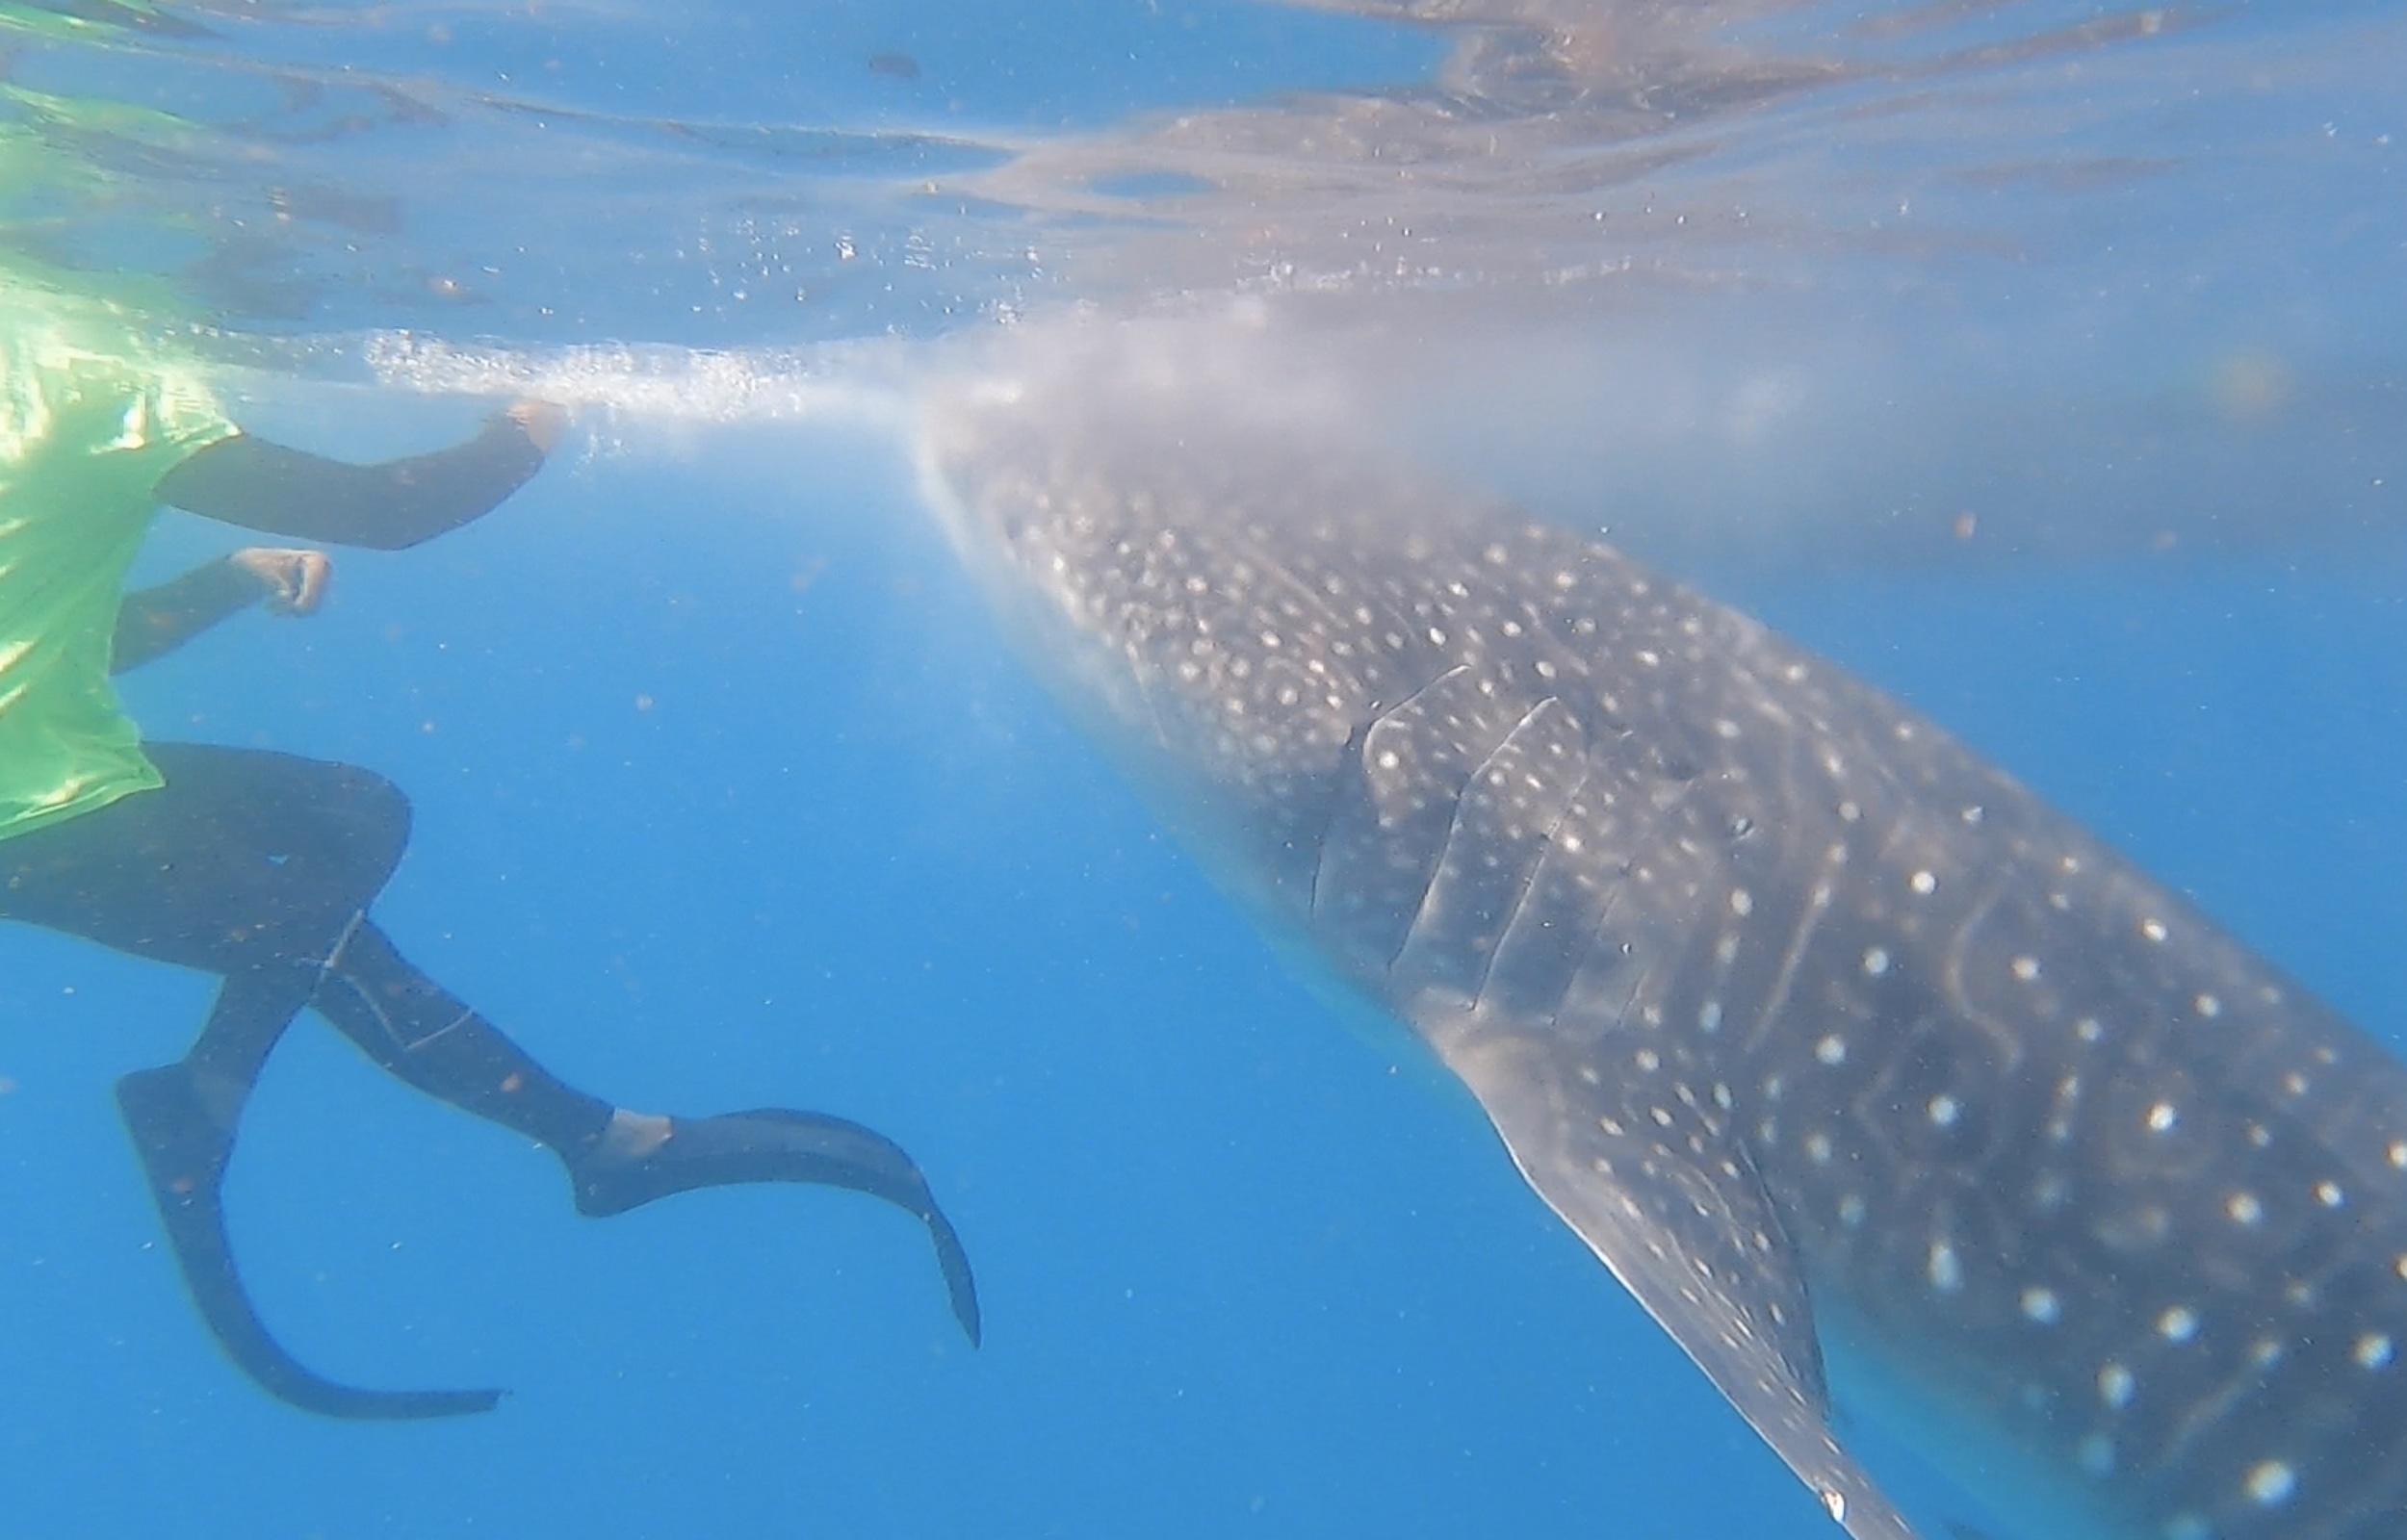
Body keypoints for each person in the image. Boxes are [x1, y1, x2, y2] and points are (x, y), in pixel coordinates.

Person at [0, 276, 977, 1419]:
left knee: (354, 819)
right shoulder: (91, 372)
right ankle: (594, 1142)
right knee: (303, 928)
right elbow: (390, 508)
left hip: (45, 778)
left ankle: (216, 1099)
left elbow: (53, 634)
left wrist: (226, 579)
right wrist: (540, 411)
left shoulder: (37, 357)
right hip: (36, 810)